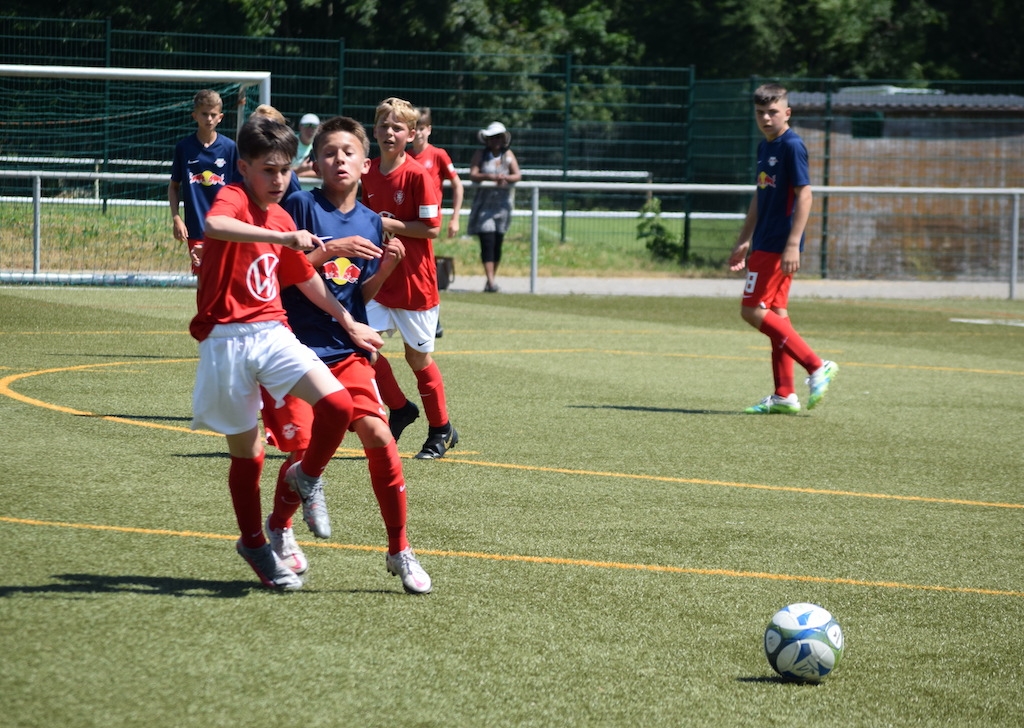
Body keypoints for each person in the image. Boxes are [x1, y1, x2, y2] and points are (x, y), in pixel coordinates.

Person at [189, 114, 383, 590]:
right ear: (244, 167)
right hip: (225, 340)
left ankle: (306, 476)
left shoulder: (279, 215)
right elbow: (215, 224)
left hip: (273, 331)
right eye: (268, 170)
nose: (279, 180)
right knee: (249, 456)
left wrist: (349, 322)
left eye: (285, 170)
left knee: (337, 405)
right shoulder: (235, 197)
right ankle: (254, 543)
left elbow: (305, 278)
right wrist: (280, 237)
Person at [261, 115, 431, 593]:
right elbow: (276, 274)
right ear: (315, 163)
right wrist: (329, 248)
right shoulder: (299, 205)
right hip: (292, 348)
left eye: (348, 152)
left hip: (345, 348)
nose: (339, 159)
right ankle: (280, 527)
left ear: (364, 164)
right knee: (304, 450)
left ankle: (400, 549)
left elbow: (358, 294)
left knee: (380, 436)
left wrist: (387, 269)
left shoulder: (372, 221)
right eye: (329, 152)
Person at [727, 83, 838, 414]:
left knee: (751, 310)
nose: (766, 118)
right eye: (760, 112)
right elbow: (760, 194)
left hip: (778, 244)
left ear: (787, 113)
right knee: (776, 314)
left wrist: (793, 244)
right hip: (764, 241)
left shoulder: (792, 145)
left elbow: (805, 194)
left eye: (772, 112)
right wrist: (744, 239)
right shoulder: (765, 146)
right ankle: (784, 395)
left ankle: (816, 365)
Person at [361, 96, 458, 459]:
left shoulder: (418, 174)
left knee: (417, 359)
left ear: (412, 134)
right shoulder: (367, 170)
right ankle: (400, 408)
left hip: (414, 282)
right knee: (361, 348)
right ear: (374, 131)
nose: (389, 132)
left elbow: (431, 228)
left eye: (397, 127)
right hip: (378, 278)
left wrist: (387, 223)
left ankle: (440, 429)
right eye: (383, 126)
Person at [408, 106, 465, 339]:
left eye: (422, 128)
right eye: (415, 128)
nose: (419, 133)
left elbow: (457, 185)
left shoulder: (438, 155)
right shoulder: (405, 156)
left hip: (428, 224)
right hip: (409, 222)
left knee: (427, 269)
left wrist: (455, 218)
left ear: (429, 130)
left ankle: (434, 319)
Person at [168, 89, 238, 274]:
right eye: (204, 114)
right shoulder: (184, 148)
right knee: (203, 276)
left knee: (225, 275)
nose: (209, 119)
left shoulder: (230, 148)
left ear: (220, 117)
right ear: (195, 116)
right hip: (197, 226)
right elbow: (174, 187)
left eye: (213, 114)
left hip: (225, 225)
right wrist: (176, 218)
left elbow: (239, 189)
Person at [467, 121, 521, 293]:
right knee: (487, 241)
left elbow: (517, 175)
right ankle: (491, 281)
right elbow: (473, 174)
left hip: (502, 207)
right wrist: (490, 177)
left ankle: (491, 279)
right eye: (492, 138)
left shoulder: (508, 155)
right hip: (484, 205)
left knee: (497, 242)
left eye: (498, 137)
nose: (495, 141)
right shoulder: (481, 154)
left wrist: (506, 179)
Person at [292, 113, 320, 177]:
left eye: (314, 126)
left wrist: (300, 174)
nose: (310, 130)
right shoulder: (289, 143)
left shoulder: (321, 145)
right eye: (306, 125)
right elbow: (281, 171)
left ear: (318, 128)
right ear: (300, 126)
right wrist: (299, 169)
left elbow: (324, 173)